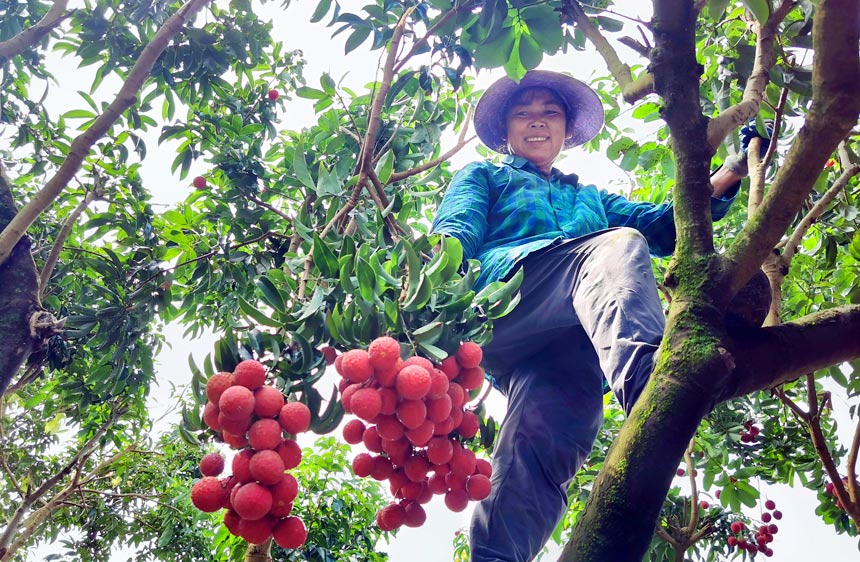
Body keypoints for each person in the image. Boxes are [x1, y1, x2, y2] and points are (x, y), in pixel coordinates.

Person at [430, 70, 755, 562]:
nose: (537, 121)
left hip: (566, 344)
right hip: (503, 302)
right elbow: (456, 229)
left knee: (540, 452)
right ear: (507, 131)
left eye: (550, 113)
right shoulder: (486, 175)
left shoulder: (590, 199)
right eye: (524, 113)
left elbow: (667, 226)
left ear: (564, 130)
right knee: (617, 246)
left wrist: (732, 169)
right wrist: (427, 305)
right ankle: (652, 383)